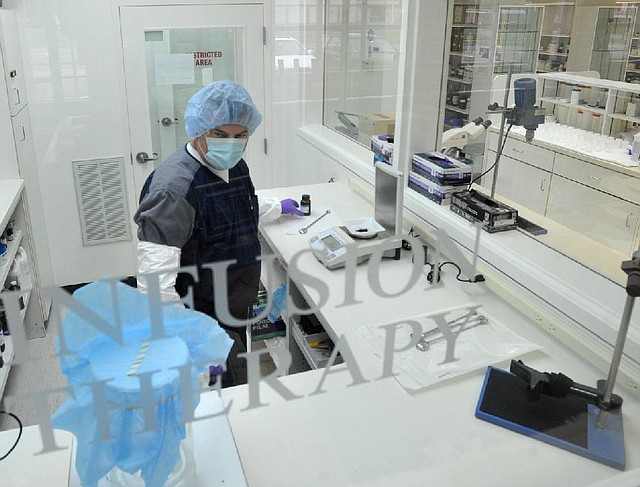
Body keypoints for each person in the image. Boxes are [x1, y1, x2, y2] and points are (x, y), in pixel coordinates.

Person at [133, 80, 304, 387]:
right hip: (198, 321)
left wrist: (277, 207)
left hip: (230, 309)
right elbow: (155, 285)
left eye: (241, 135)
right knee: (212, 408)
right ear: (198, 130)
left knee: (234, 385)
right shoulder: (173, 190)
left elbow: (235, 208)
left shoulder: (234, 166)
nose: (232, 143)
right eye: (220, 135)